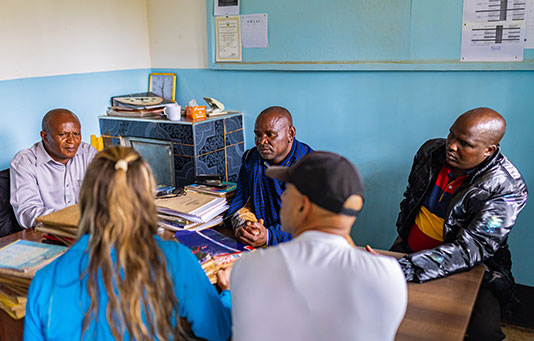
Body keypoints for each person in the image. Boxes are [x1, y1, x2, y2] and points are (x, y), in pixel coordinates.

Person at [24, 146, 232, 340]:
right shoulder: (175, 259)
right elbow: (218, 332)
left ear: (86, 197)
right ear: (147, 198)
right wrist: (228, 293)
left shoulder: (44, 280)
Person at [231, 152, 407, 341]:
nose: (282, 198)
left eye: (287, 190)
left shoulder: (250, 266)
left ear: (302, 207)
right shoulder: (388, 276)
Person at [391, 108, 528, 340]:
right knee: (378, 310)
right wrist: (400, 240)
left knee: (483, 334)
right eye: (451, 135)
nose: (451, 146)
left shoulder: (506, 188)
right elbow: (410, 199)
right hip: (411, 253)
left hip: (475, 269)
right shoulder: (430, 152)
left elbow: (471, 249)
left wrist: (405, 268)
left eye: (464, 143)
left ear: (489, 150)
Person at [225, 106, 313, 247]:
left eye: (270, 134)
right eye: (258, 135)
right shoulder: (251, 159)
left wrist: (269, 235)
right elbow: (241, 204)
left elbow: (313, 222)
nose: (261, 142)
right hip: (260, 243)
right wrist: (247, 227)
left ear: (291, 133)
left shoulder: (311, 167)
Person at [10, 108, 96, 228]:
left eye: (76, 134)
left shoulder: (87, 153)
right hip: (48, 233)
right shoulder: (25, 162)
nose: (72, 141)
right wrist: (73, 220)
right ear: (44, 137)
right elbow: (27, 214)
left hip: (87, 229)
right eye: (63, 134)